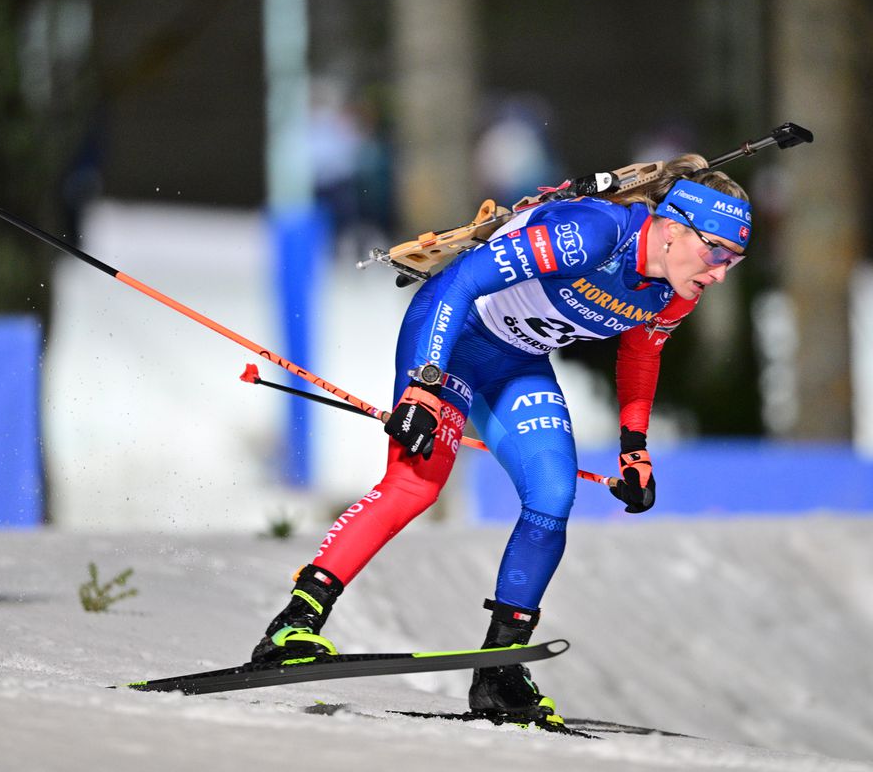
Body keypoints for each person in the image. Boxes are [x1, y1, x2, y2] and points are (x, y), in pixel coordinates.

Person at [250, 154, 751, 728]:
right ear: (673, 226)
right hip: (451, 341)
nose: (720, 273)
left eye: (735, 260)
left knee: (553, 494)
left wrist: (633, 447)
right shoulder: (591, 235)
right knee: (416, 485)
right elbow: (458, 283)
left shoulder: (677, 290)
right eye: (716, 251)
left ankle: (500, 667)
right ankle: (294, 625)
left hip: (517, 365)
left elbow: (641, 352)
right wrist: (423, 385)